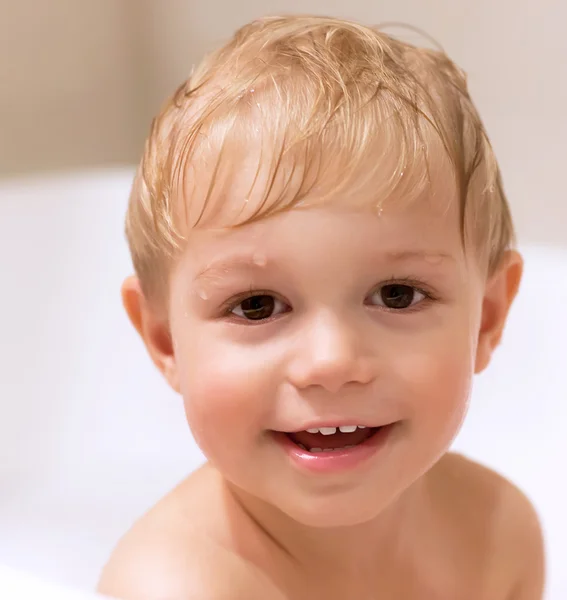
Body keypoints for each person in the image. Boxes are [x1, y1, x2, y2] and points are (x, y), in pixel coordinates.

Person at [97, 15, 544, 599]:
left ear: (486, 318)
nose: (332, 362)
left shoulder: (498, 534)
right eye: (256, 306)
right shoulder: (176, 588)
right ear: (164, 340)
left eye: (397, 294)